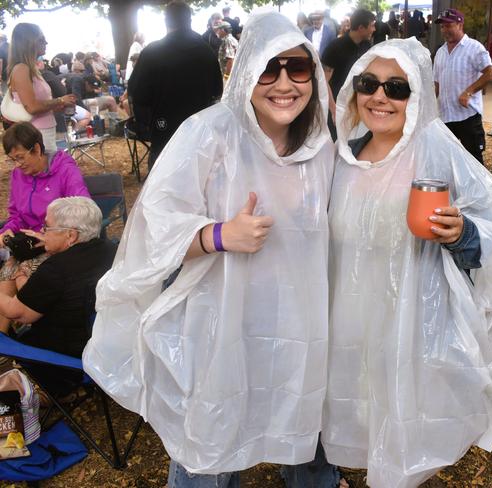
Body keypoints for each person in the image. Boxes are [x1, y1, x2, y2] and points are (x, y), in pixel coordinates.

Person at [83, 11, 334, 488]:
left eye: (297, 68)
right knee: (212, 439)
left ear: (314, 75)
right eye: (268, 68)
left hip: (297, 321)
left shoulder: (320, 144)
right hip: (221, 318)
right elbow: (154, 226)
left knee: (297, 415)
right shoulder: (207, 134)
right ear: (244, 72)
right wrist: (219, 235)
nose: (284, 83)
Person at [322, 37, 492, 488]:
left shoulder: (436, 153)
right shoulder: (342, 158)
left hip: (413, 325)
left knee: (402, 426)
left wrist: (463, 233)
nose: (380, 96)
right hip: (350, 321)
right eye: (369, 83)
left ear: (417, 97)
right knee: (354, 412)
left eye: (397, 87)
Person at [0, 197, 116, 394]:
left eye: (47, 228)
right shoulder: (112, 250)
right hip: (106, 348)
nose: (42, 234)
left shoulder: (56, 269)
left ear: (70, 235)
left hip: (60, 362)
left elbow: (17, 313)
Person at [0, 122, 90, 332]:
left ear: (38, 149)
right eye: (12, 160)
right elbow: (16, 215)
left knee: (22, 274)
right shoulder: (18, 175)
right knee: (7, 272)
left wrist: (49, 235)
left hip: (59, 244)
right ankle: (4, 343)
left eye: (21, 157)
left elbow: (83, 210)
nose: (18, 165)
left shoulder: (65, 170)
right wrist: (7, 232)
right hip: (29, 245)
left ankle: (35, 328)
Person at [128, 1, 222, 171]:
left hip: (164, 136)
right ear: (189, 20)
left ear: (166, 21)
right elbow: (217, 92)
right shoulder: (207, 52)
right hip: (200, 139)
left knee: (163, 189)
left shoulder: (152, 52)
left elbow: (137, 94)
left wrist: (147, 124)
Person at [433, 9, 492, 165]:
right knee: (447, 161)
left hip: (467, 117)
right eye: (442, 27)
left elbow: (490, 73)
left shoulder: (474, 48)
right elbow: (436, 83)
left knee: (473, 161)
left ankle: (478, 189)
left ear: (460, 25)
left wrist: (469, 92)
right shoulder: (440, 52)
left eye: (449, 26)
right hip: (446, 116)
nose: (444, 30)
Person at [4, 23, 76, 152]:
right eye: (41, 40)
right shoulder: (21, 69)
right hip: (36, 134)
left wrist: (55, 107)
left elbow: (36, 106)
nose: (46, 43)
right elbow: (32, 107)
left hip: (45, 131)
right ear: (28, 43)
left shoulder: (32, 69)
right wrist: (60, 100)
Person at [321, 9, 376, 136]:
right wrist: (333, 108)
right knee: (337, 141)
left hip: (356, 105)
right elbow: (323, 80)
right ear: (361, 28)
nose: (374, 29)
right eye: (372, 25)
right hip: (336, 105)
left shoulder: (366, 46)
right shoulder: (335, 47)